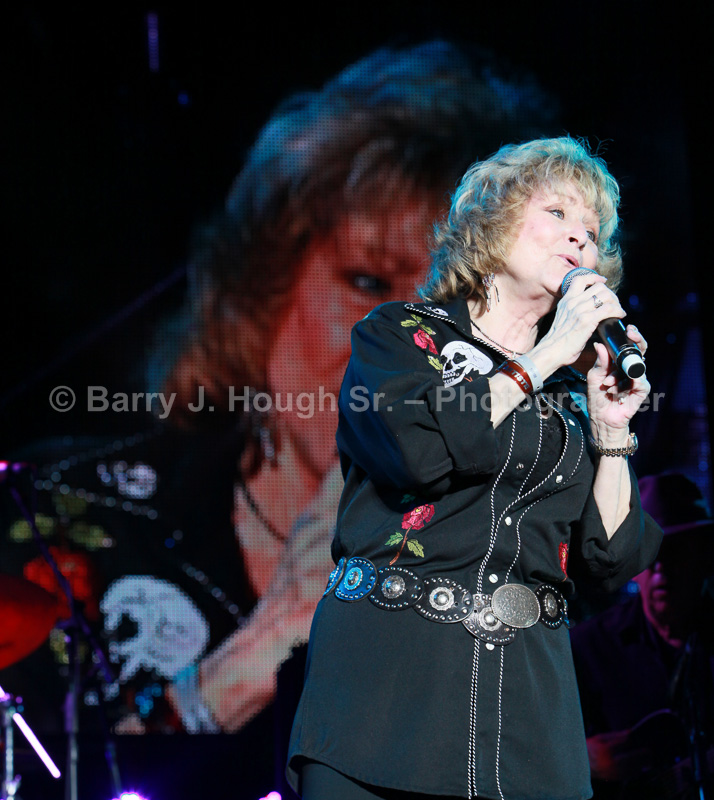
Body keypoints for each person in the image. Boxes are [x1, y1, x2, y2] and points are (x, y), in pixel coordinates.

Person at [1, 37, 557, 757]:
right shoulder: (61, 514)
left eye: (457, 306)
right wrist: (269, 643)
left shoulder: (536, 551)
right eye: (365, 283)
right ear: (264, 292)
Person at [286, 136, 663, 800]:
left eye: (592, 231)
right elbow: (419, 453)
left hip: (527, 713)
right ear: (492, 221)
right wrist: (542, 357)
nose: (580, 238)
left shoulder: (574, 395)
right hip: (387, 694)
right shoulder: (402, 338)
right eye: (558, 214)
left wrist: (611, 430)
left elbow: (609, 563)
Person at [571, 472, 714, 799]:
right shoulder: (587, 647)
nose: (661, 566)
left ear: (705, 557)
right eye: (649, 552)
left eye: (676, 551)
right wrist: (581, 757)